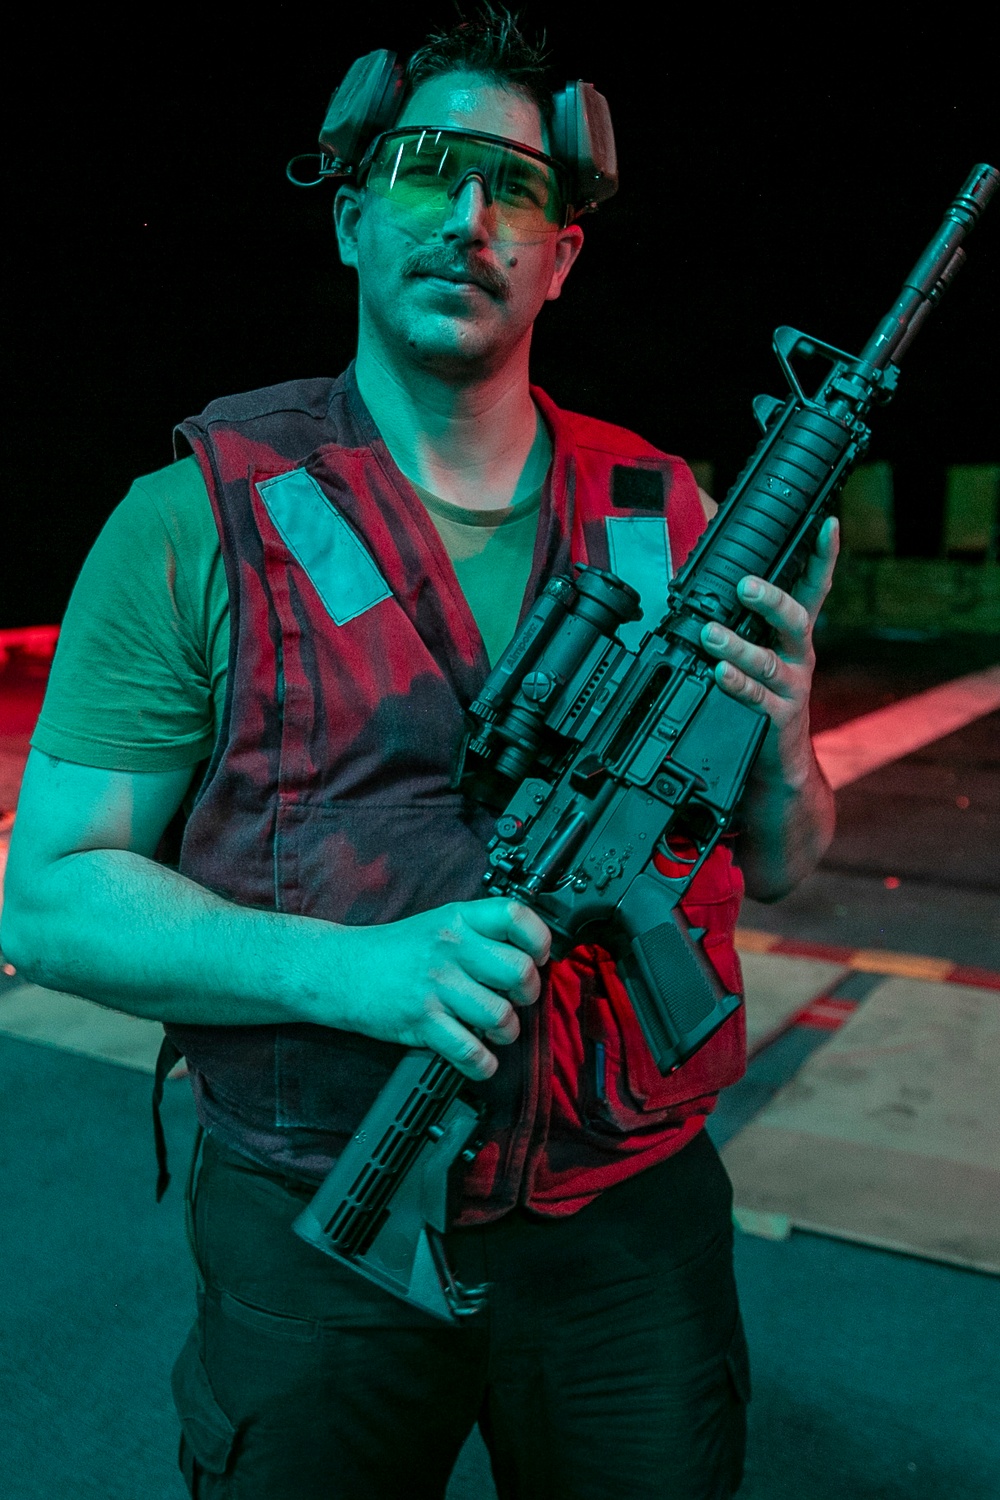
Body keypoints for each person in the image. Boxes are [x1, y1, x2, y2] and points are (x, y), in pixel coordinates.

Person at [1, 9, 838, 1498]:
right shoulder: (200, 516)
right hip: (320, 1218)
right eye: (427, 171)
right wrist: (356, 972)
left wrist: (782, 740)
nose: (470, 217)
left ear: (562, 257)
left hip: (629, 1231)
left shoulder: (666, 512)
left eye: (516, 187)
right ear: (349, 221)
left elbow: (781, 862)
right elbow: (52, 898)